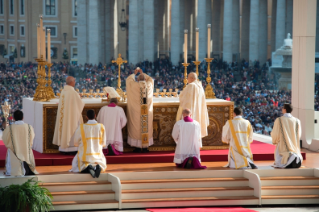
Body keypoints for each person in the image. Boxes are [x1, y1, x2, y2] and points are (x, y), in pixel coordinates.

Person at [70, 110, 107, 178]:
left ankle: (88, 168)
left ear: (86, 117)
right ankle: (97, 167)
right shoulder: (101, 126)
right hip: (97, 153)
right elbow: (103, 141)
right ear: (95, 116)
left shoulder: (81, 127)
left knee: (77, 167)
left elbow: (76, 141)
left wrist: (78, 144)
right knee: (102, 163)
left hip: (85, 154)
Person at [53, 76, 85, 153]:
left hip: (65, 116)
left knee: (65, 128)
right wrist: (79, 97)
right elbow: (79, 103)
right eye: (74, 81)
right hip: (72, 116)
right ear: (71, 82)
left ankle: (64, 148)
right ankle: (72, 148)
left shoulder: (64, 91)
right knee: (73, 129)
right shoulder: (72, 92)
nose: (75, 82)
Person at [126, 68, 154, 153]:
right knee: (146, 127)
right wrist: (142, 73)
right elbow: (151, 79)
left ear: (137, 80)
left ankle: (137, 147)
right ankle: (145, 147)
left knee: (136, 128)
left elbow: (128, 80)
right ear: (145, 79)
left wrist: (134, 74)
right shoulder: (149, 85)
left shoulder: (134, 85)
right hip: (146, 112)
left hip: (136, 111)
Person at [2, 110, 38, 176]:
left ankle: (14, 171)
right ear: (22, 117)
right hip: (26, 150)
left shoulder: (9, 128)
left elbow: (5, 139)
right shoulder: (29, 127)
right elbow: (32, 137)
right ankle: (27, 170)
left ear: (13, 118)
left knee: (11, 151)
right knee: (28, 151)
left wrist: (11, 145)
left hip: (14, 152)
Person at [176, 72, 209, 140]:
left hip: (192, 113)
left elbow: (183, 98)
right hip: (198, 112)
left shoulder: (191, 86)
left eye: (188, 78)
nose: (187, 79)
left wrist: (181, 93)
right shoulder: (200, 86)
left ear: (192, 78)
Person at [271, 104, 303, 168]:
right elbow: (299, 134)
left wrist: (275, 140)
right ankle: (294, 157)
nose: (282, 109)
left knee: (280, 158)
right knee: (293, 151)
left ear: (285, 109)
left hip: (282, 143)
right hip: (294, 144)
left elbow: (275, 132)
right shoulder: (297, 120)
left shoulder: (279, 120)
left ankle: (289, 159)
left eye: (283, 108)